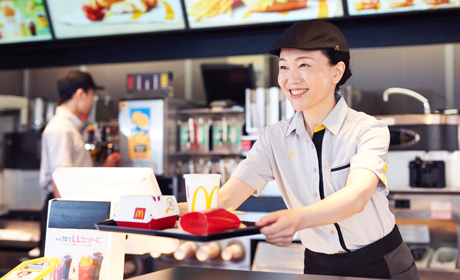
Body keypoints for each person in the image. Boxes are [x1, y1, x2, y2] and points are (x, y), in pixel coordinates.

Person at [180, 20, 418, 279]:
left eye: (303, 65)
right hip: (318, 265)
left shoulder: (368, 129)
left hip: (380, 262)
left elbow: (357, 196)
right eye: (284, 67)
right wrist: (161, 210)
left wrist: (297, 219)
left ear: (336, 72)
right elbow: (225, 200)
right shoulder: (273, 138)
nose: (291, 79)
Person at [39, 70, 121, 255]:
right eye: (92, 94)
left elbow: (73, 177)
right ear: (80, 94)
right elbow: (59, 180)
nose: (92, 101)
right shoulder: (61, 128)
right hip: (63, 211)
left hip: (67, 211)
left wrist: (104, 168)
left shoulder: (68, 127)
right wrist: (71, 223)